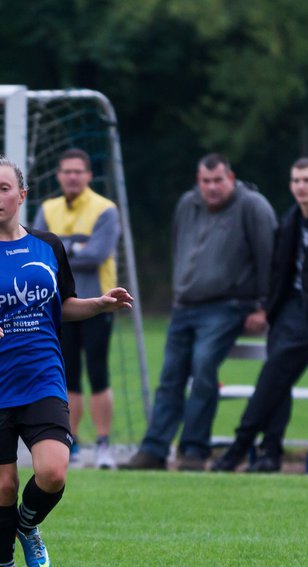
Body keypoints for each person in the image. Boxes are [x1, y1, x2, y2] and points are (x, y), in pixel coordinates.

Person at [0, 156, 133, 567]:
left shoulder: (48, 246)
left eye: (4, 189)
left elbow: (64, 306)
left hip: (43, 377)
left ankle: (27, 525)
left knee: (53, 472)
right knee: (3, 485)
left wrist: (99, 304)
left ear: (22, 195)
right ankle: (2, 566)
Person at [212, 157, 308, 473]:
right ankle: (270, 453)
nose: (301, 187)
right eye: (296, 181)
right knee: (278, 378)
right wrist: (269, 309)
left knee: (273, 374)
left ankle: (240, 446)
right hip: (287, 311)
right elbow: (279, 271)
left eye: (307, 180)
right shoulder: (292, 220)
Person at [121, 153, 276, 472]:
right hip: (185, 306)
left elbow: (269, 257)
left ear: (230, 178)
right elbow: (179, 248)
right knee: (170, 377)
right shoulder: (187, 204)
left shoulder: (253, 206)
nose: (212, 187)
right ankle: (154, 449)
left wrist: (263, 305)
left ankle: (194, 449)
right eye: (206, 181)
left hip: (227, 305)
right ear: (198, 181)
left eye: (218, 180)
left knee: (203, 370)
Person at [32, 148, 122, 469]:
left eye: (78, 171)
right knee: (66, 374)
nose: (72, 176)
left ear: (88, 175)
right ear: (58, 175)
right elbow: (39, 252)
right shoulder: (47, 208)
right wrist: (75, 246)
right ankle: (71, 444)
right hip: (59, 305)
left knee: (98, 372)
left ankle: (103, 445)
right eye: (66, 171)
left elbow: (96, 255)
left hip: (98, 303)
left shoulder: (105, 210)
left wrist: (63, 247)